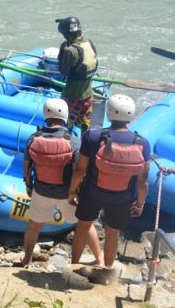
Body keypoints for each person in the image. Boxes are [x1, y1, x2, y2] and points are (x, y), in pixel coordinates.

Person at [68, 94, 151, 274]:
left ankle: (74, 266)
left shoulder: (93, 135)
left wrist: (72, 191)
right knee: (112, 232)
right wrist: (140, 203)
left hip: (92, 192)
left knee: (83, 225)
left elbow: (80, 169)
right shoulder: (142, 143)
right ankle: (106, 270)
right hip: (122, 197)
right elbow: (142, 180)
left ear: (109, 112)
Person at [19, 98, 103, 267]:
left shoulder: (33, 138)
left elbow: (27, 165)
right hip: (67, 194)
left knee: (34, 226)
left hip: (41, 191)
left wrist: (29, 185)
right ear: (65, 115)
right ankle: (100, 260)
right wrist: (76, 192)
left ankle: (26, 260)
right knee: (84, 224)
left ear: (46, 115)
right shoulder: (72, 141)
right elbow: (79, 171)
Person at [56, 17, 98, 132]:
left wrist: (62, 51)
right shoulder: (90, 44)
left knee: (64, 125)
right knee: (85, 126)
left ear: (67, 35)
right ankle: (86, 147)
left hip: (72, 97)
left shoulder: (70, 50)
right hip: (88, 96)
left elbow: (63, 72)